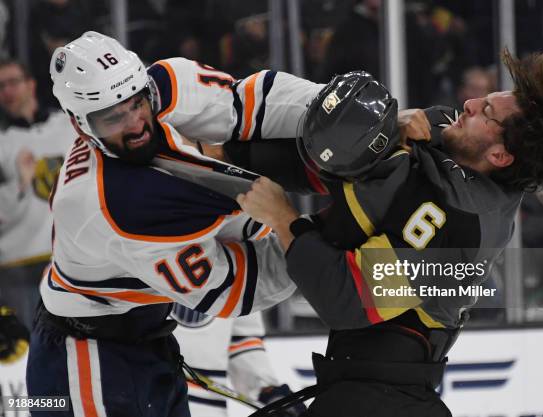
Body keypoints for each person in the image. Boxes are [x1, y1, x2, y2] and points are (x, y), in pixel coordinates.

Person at [236, 49, 543, 416]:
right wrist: (397, 125)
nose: (470, 103)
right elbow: (370, 145)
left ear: (499, 156)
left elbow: (348, 297)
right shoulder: (459, 139)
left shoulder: (459, 224)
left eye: (487, 112)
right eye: (484, 98)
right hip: (367, 386)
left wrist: (282, 216)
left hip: (384, 402)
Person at [26, 31, 324, 417]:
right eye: (112, 118)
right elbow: (235, 286)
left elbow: (249, 102)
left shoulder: (166, 86)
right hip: (86, 361)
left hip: (149, 340)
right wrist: (317, 239)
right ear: (80, 125)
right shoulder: (113, 203)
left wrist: (346, 117)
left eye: (136, 103)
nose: (135, 124)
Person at [0, 58, 75, 329]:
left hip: (72, 259)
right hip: (18, 265)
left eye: (12, 82)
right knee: (29, 358)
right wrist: (20, 183)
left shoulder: (70, 125)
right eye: (0, 86)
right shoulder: (3, 145)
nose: (7, 91)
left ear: (30, 85)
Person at [172, 306, 304, 416]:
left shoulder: (246, 276)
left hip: (206, 410)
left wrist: (268, 392)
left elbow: (242, 341)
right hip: (155, 397)